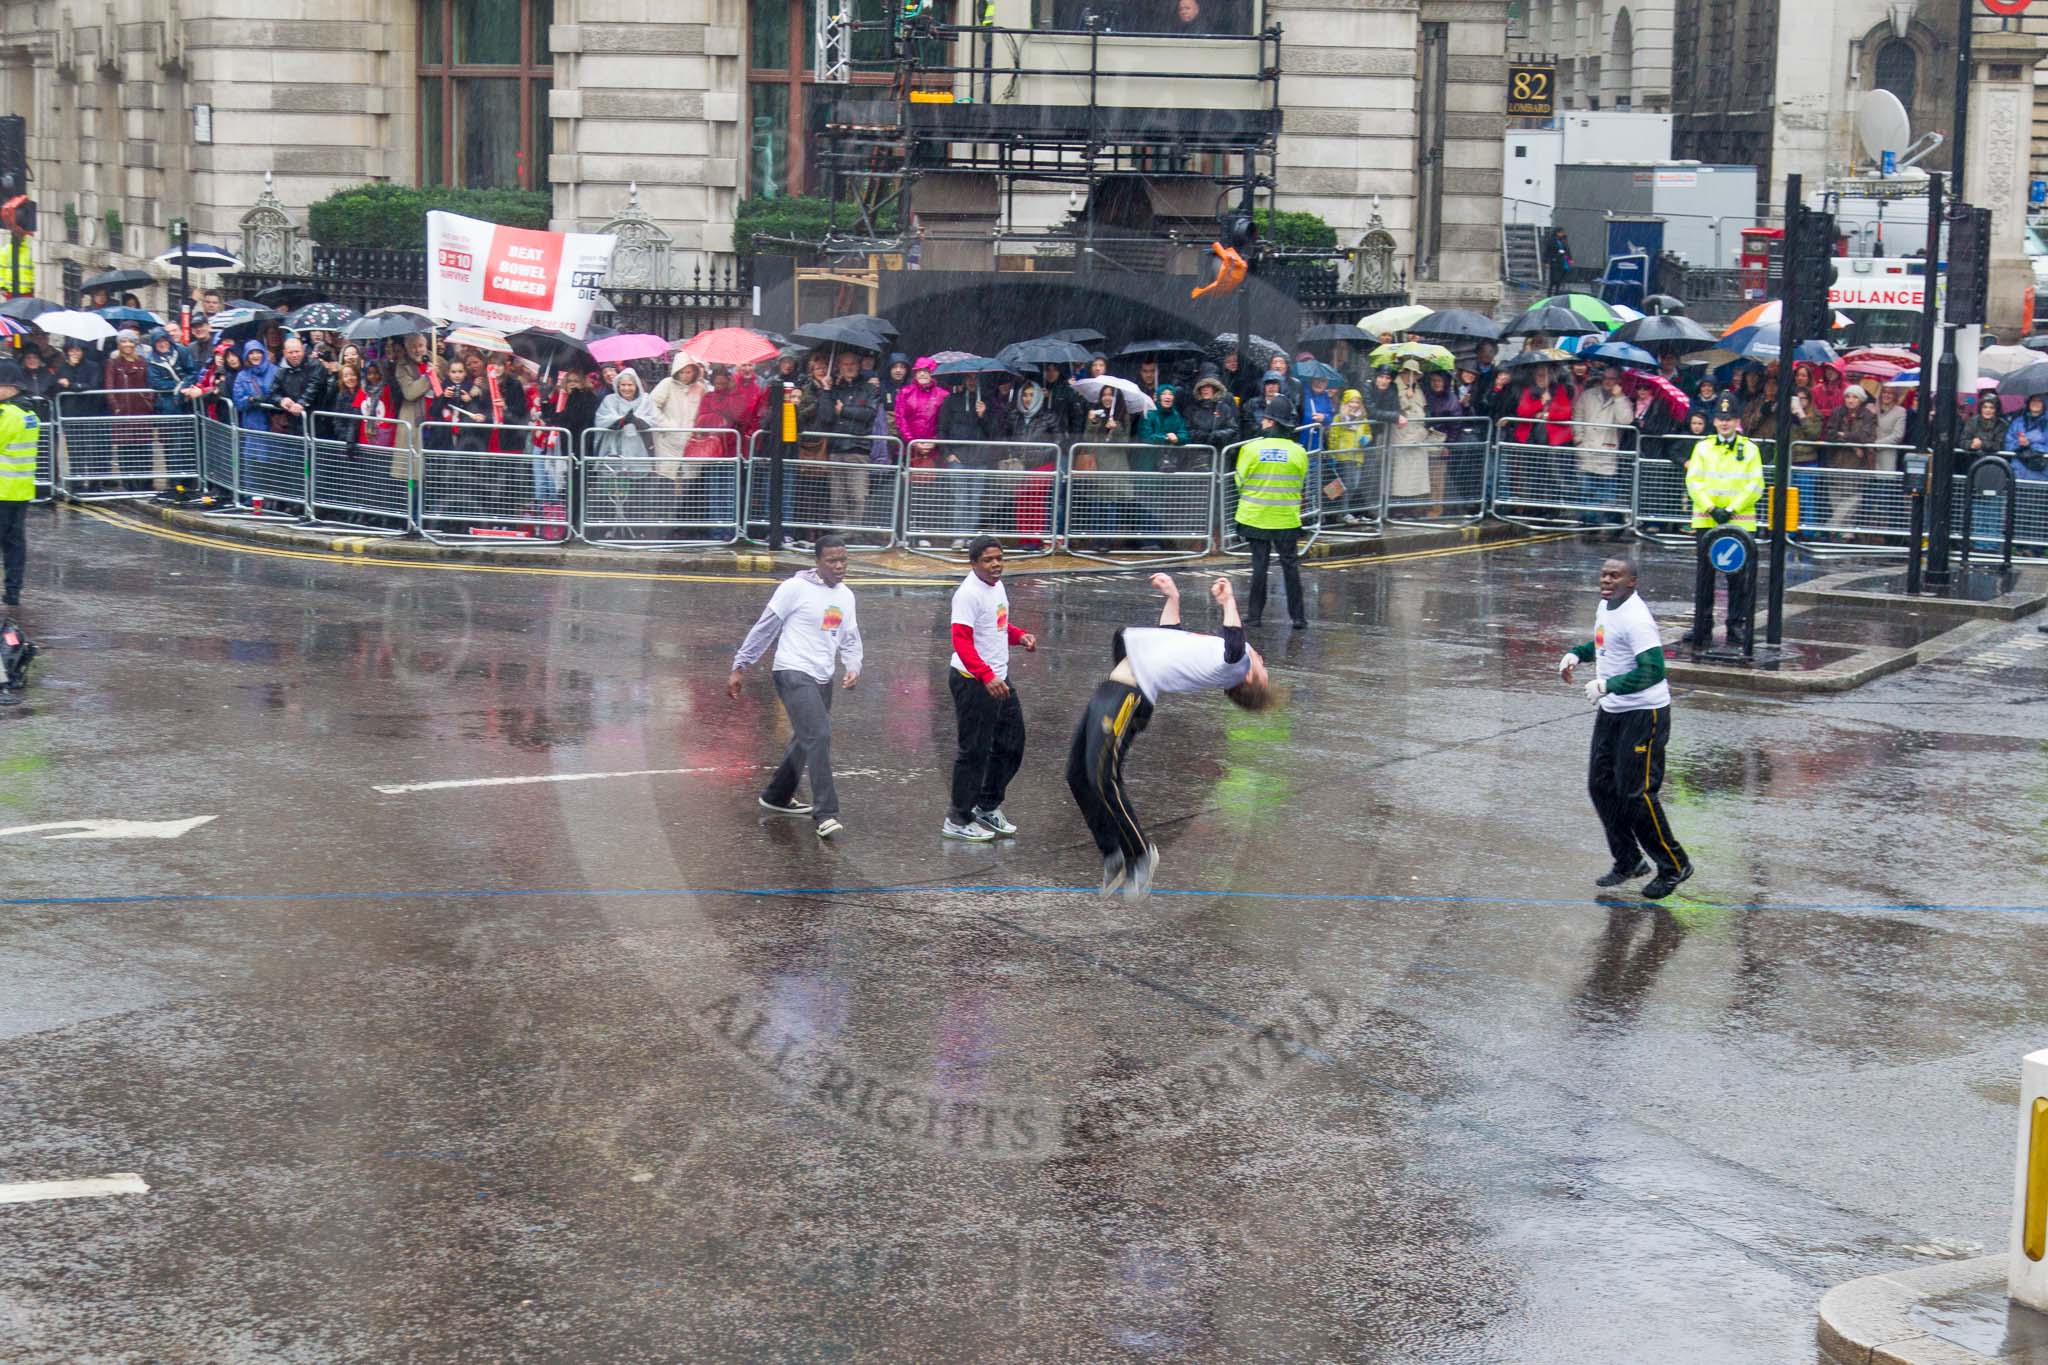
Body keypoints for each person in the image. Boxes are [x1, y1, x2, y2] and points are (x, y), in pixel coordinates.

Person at [1066, 573, 1274, 898]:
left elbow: (1235, 645)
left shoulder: (1237, 661)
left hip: (1129, 696)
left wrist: (1228, 602)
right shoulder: (1214, 656)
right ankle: (1114, 854)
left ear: (1248, 678)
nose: (1262, 661)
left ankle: (1141, 854)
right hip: (1113, 689)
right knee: (1077, 774)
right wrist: (1172, 598)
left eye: (1263, 668)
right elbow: (1168, 640)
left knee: (1102, 775)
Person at [1557, 555, 1693, 900]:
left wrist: (1607, 686)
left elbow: (1653, 670)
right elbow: (1605, 646)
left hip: (1643, 715)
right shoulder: (1607, 607)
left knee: (1636, 794)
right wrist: (1577, 654)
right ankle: (1629, 860)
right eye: (1603, 574)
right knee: (1601, 786)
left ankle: (1674, 864)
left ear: (1631, 582)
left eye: (1615, 576)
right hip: (1612, 712)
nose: (1606, 580)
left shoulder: (1636, 618)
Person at [728, 536, 863, 840]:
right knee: (819, 734)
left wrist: (853, 666)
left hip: (822, 675)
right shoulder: (794, 589)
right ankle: (825, 813)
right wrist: (740, 666)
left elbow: (850, 637)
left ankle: (777, 795)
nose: (839, 566)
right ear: (817, 562)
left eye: (843, 560)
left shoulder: (846, 596)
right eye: (832, 561)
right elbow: (765, 627)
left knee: (806, 738)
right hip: (792, 670)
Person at [943, 536, 1037, 841]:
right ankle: (957, 818)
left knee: (1013, 743)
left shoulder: (996, 586)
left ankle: (987, 804)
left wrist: (1019, 635)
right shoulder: (968, 594)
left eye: (999, 558)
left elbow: (996, 626)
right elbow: (962, 640)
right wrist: (985, 675)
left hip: (998, 678)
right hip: (974, 682)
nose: (996, 564)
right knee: (974, 751)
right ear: (974, 563)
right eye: (988, 560)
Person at [1684, 393, 1764, 649]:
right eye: (1720, 418)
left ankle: (1736, 625)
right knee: (1704, 578)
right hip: (1707, 521)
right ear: (1714, 421)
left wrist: (1730, 509)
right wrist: (1711, 507)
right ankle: (1702, 625)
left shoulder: (1750, 449)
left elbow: (1755, 485)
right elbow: (1694, 481)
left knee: (1738, 579)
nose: (1724, 423)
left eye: (1729, 418)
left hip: (1739, 522)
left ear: (1737, 421)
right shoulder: (1703, 447)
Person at [1232, 395, 1308, 628]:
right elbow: (1301, 481)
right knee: (1290, 567)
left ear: (1272, 422)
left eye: (1265, 418)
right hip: (1285, 519)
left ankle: (1255, 616)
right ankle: (1298, 617)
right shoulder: (1298, 452)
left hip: (1255, 518)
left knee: (1259, 567)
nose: (1262, 421)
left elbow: (1239, 481)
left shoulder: (1250, 449)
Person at [0, 359, 37, 605]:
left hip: (2, 490)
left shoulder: (8, 414)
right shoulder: (29, 412)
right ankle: (13, 591)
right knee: (15, 545)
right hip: (20, 490)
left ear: (10, 387)